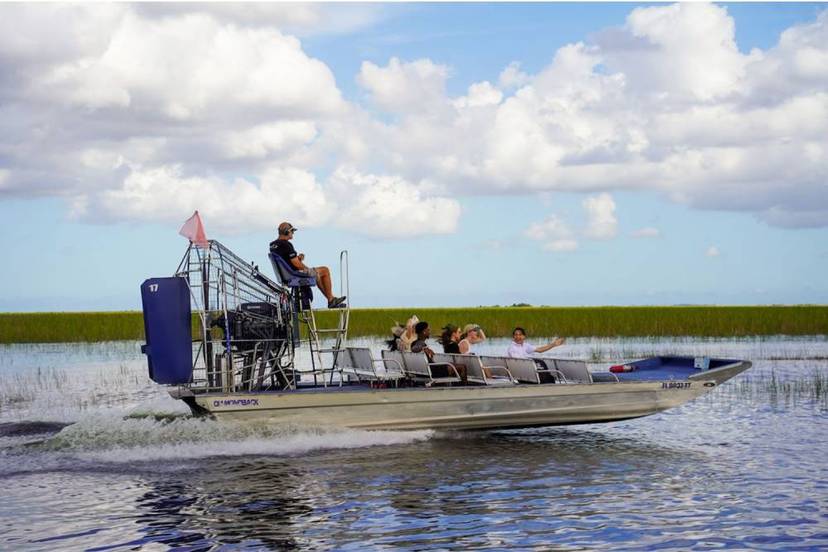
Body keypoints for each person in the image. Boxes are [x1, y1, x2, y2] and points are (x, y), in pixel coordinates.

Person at [270, 222, 346, 309]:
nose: (293, 233)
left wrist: (298, 258)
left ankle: (331, 300)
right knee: (325, 270)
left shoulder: (273, 245)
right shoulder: (286, 244)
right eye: (292, 231)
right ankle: (331, 300)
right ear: (287, 232)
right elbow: (295, 263)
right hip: (294, 274)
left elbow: (288, 261)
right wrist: (307, 269)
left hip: (287, 274)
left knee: (318, 273)